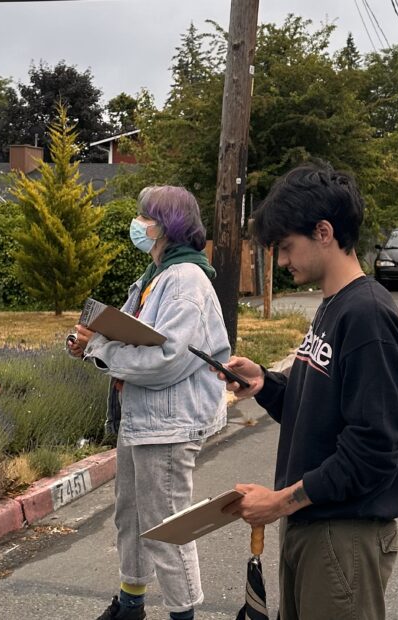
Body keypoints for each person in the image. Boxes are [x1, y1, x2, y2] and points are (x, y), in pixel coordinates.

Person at [222, 162, 398, 620]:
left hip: (342, 537)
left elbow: (373, 452)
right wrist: (265, 384)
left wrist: (279, 502)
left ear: (324, 232)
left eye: (287, 247)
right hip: (313, 527)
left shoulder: (367, 315)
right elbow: (316, 413)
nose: (283, 261)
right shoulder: (333, 306)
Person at [67, 185, 230, 620]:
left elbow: (167, 360)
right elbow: (118, 329)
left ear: (168, 226)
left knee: (167, 527)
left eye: (146, 217)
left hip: (170, 424)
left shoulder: (185, 281)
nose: (139, 224)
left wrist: (100, 351)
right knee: (132, 517)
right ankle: (131, 603)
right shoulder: (154, 275)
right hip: (143, 419)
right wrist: (88, 340)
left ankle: (182, 614)